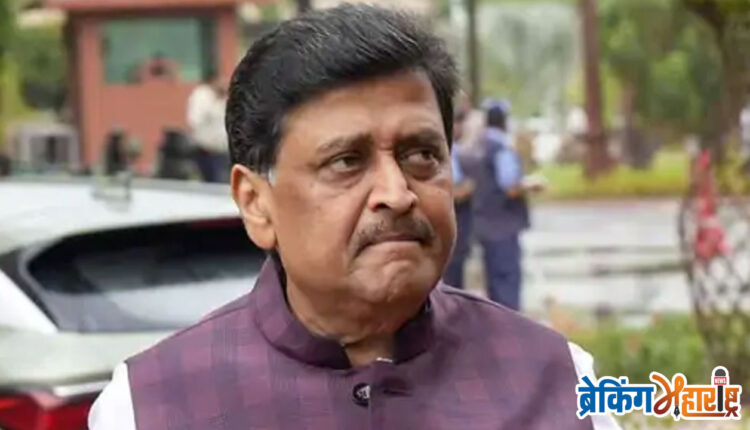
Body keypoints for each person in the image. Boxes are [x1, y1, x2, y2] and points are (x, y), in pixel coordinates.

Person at [88, 5, 618, 430]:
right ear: (255, 202)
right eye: (346, 162)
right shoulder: (150, 407)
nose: (397, 194)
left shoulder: (557, 380)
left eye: (421, 155)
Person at [471, 99, 543, 310]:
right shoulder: (501, 147)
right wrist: (532, 185)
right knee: (507, 287)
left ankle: (496, 328)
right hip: (503, 225)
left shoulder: (478, 146)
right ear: (504, 121)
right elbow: (510, 187)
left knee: (494, 287)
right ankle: (510, 329)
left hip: (484, 224)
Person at [442, 99, 475, 289]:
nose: (462, 128)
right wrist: (465, 190)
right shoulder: (447, 152)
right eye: (458, 122)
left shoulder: (459, 150)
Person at [187, 71, 230, 182]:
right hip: (206, 151)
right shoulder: (202, 95)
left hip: (222, 152)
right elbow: (195, 120)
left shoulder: (222, 98)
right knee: (212, 182)